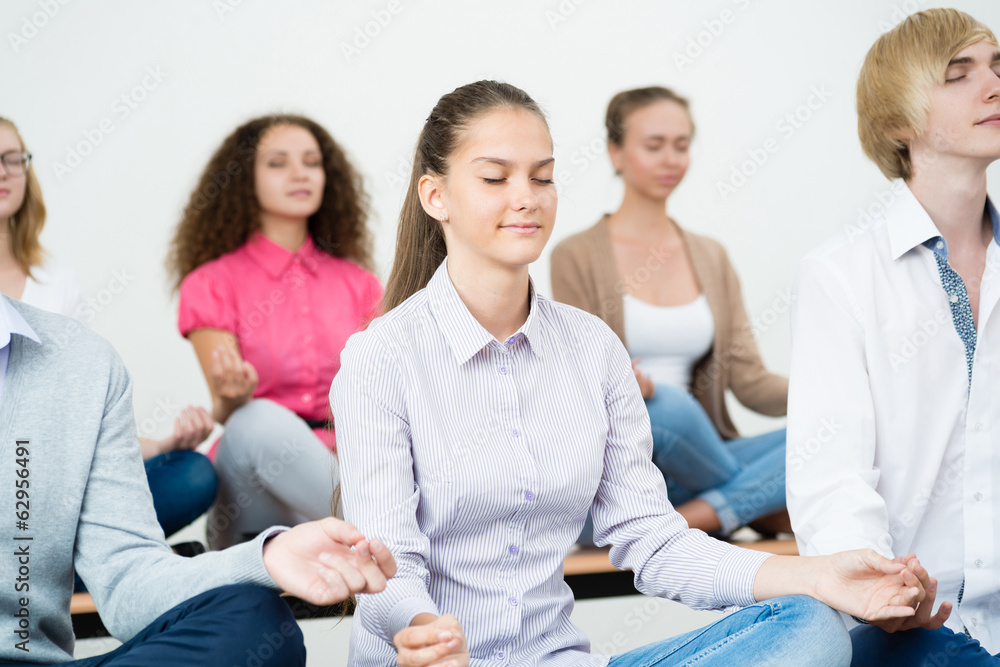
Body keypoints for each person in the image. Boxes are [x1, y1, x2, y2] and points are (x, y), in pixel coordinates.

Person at [331, 79, 928, 667]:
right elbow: (388, 565)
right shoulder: (381, 358)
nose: (527, 197)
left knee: (809, 626)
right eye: (495, 178)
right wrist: (424, 628)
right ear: (435, 196)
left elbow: (653, 539)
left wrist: (821, 575)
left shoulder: (593, 349)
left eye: (542, 176)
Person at [0, 294, 397, 666]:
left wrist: (266, 557)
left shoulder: (81, 362)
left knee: (253, 619)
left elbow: (128, 582)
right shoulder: (212, 290)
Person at [786, 8, 1000, 664]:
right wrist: (887, 584)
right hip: (915, 625)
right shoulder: (842, 273)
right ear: (899, 124)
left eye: (998, 68)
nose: (992, 86)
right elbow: (833, 479)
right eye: (958, 75)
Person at [550, 88, 789, 537]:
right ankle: (753, 505)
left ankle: (694, 518)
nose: (671, 159)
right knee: (663, 405)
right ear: (616, 152)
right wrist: (618, 384)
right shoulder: (575, 254)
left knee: (829, 435)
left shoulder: (710, 256)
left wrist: (836, 392)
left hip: (696, 467)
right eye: (654, 145)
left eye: (681, 145)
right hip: (621, 471)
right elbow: (574, 375)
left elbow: (750, 381)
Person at [0, 116, 218, 546]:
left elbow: (85, 419)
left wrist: (161, 444)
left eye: (12, 159)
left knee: (191, 473)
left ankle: (66, 569)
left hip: (64, 487)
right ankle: (126, 566)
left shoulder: (56, 283)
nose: (4, 171)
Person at [168, 113, 383, 549]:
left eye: (311, 162)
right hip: (259, 493)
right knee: (253, 418)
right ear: (245, 179)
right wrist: (232, 396)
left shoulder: (360, 284)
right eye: (278, 163)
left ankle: (377, 532)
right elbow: (229, 412)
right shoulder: (210, 283)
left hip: (353, 472)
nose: (300, 173)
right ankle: (389, 534)